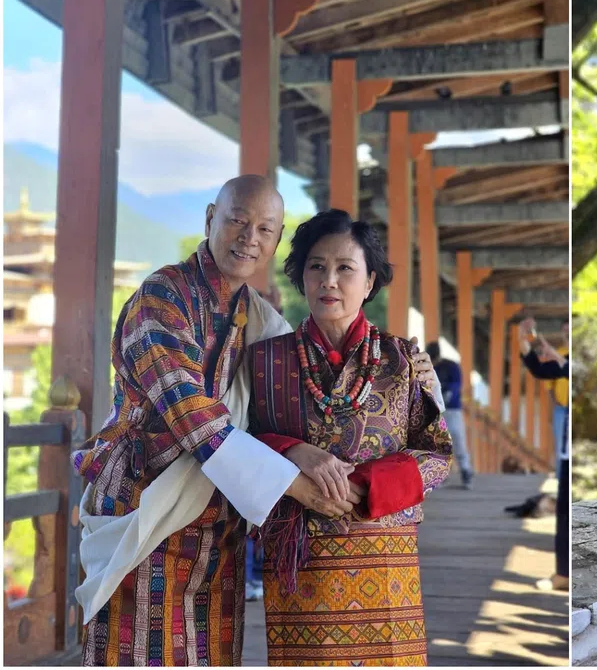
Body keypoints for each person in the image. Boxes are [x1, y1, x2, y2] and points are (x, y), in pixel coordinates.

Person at [72, 176, 329, 666]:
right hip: (145, 511)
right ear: (211, 218)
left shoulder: (257, 316)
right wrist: (293, 483)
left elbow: (296, 394)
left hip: (218, 527)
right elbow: (190, 412)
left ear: (275, 243)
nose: (249, 237)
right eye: (237, 220)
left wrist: (401, 369)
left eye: (265, 229)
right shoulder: (162, 297)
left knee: (214, 655)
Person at [247, 209, 452, 666]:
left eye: (345, 269)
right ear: (301, 277)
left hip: (383, 549)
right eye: (316, 266)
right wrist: (295, 452)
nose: (329, 281)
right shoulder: (263, 362)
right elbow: (236, 440)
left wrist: (363, 486)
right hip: (301, 552)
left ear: (370, 281)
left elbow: (437, 454)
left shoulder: (404, 360)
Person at [518, 318, 569, 592]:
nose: (565, 329)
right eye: (565, 326)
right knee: (564, 496)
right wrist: (523, 342)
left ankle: (564, 572)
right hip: (565, 422)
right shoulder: (563, 357)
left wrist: (559, 361)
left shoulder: (568, 360)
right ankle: (563, 572)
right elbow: (539, 368)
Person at [427, 341, 474, 489]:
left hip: (452, 408)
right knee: (437, 440)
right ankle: (440, 473)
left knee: (457, 438)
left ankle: (465, 470)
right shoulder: (430, 366)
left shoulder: (451, 366)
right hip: (435, 409)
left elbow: (456, 386)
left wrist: (446, 394)